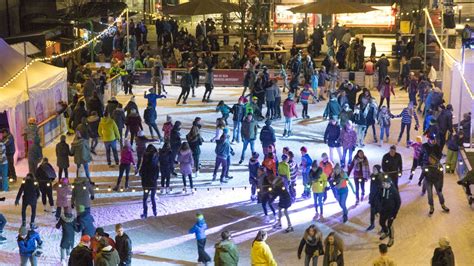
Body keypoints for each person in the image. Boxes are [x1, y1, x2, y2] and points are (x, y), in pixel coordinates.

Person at [378, 177, 401, 247]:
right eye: (382, 183)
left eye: (384, 184)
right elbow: (381, 199)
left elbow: (398, 202)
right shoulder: (383, 189)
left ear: (388, 184)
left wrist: (394, 213)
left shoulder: (394, 191)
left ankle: (391, 238)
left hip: (391, 212)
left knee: (390, 225)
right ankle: (386, 232)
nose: (383, 185)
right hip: (383, 210)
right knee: (381, 222)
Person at [140, 145, 159, 219]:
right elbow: (157, 174)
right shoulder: (155, 163)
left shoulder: (145, 163)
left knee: (145, 198)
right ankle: (154, 211)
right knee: (152, 198)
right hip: (153, 183)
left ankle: (145, 213)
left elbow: (141, 172)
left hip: (146, 183)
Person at [367, 165, 382, 231]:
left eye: (375, 169)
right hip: (373, 197)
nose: (373, 171)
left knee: (381, 212)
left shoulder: (381, 177)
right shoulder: (373, 176)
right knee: (372, 212)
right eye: (373, 169)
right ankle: (372, 224)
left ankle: (383, 226)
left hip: (379, 198)